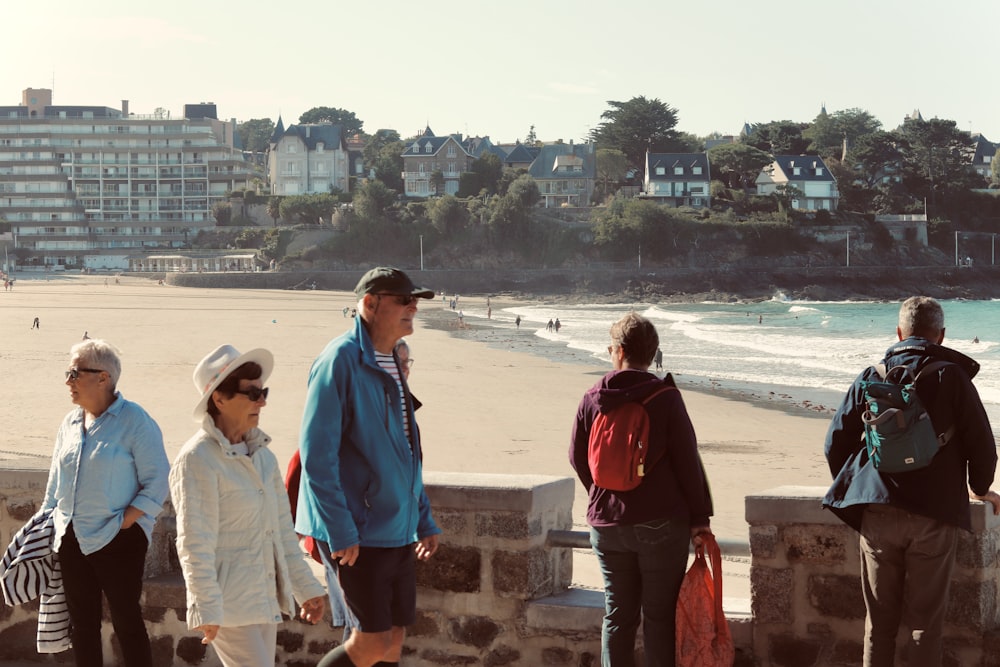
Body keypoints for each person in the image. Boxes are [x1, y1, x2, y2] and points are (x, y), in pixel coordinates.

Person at [824, 296, 1000, 667]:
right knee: (925, 625)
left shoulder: (872, 374)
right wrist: (980, 489)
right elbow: (983, 445)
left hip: (877, 510)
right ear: (941, 334)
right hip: (934, 515)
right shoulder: (950, 376)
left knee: (880, 624)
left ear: (899, 332)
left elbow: (834, 443)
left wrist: (861, 486)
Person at [297, 266, 441, 667]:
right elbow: (316, 455)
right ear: (370, 304)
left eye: (415, 300)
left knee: (393, 639)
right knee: (370, 643)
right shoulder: (339, 360)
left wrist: (423, 518)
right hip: (358, 530)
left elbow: (408, 452)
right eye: (403, 300)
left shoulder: (394, 360)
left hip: (396, 527)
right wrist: (340, 527)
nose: (414, 306)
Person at [570, 313, 714, 666]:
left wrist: (604, 493)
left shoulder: (593, 397)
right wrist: (699, 519)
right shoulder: (665, 397)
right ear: (652, 353)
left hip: (606, 523)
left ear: (618, 351)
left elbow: (576, 456)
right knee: (659, 618)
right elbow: (687, 463)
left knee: (617, 616)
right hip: (661, 523)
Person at [170, 344, 326, 666]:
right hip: (228, 606)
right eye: (252, 393)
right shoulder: (197, 459)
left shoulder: (264, 457)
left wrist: (305, 588)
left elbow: (283, 531)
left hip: (263, 597)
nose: (263, 401)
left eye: (263, 391)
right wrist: (205, 607)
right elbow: (194, 541)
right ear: (219, 398)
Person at [41, 339, 169, 667]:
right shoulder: (69, 424)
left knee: (128, 623)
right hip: (71, 538)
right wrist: (47, 524)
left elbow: (158, 480)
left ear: (103, 378)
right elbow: (56, 481)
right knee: (82, 626)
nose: (67, 380)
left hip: (119, 539)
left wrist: (126, 521)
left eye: (74, 372)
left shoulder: (135, 421)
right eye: (68, 372)